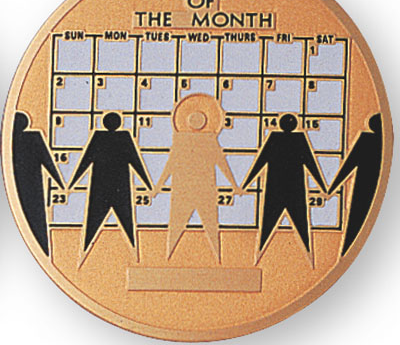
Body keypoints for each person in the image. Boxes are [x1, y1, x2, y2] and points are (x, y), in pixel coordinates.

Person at [152, 94, 242, 262]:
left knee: (209, 225)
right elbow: (171, 164)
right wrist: (158, 186)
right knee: (178, 226)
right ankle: (168, 258)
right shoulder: (184, 140)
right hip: (186, 188)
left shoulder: (207, 140)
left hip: (202, 188)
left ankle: (217, 259)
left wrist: (234, 184)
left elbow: (221, 163)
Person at [242, 113, 327, 262]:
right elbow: (311, 164)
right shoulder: (297, 139)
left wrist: (247, 183)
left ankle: (307, 256)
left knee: (271, 223)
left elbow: (260, 162)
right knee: (300, 224)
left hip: (276, 187)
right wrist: (322, 186)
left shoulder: (277, 138)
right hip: (294, 187)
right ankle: (307, 255)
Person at [69, 112, 152, 259]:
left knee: (97, 222)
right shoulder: (122, 137)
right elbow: (135, 161)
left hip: (102, 185)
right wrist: (147, 183)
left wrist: (73, 182)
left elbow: (86, 161)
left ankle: (133, 253)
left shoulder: (100, 137)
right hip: (118, 185)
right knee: (124, 223)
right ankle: (132, 251)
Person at [328, 113, 382, 256]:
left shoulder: (367, 140)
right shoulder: (375, 141)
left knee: (357, 219)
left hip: (363, 185)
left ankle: (347, 249)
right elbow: (349, 164)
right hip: (366, 185)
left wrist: (332, 188)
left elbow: (349, 165)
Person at [12, 111, 64, 256]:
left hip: (28, 185)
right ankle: (42, 249)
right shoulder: (33, 137)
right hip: (32, 186)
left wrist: (60, 183)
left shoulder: (26, 138)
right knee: (35, 220)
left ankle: (42, 251)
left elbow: (47, 161)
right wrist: (60, 183)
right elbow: (48, 162)